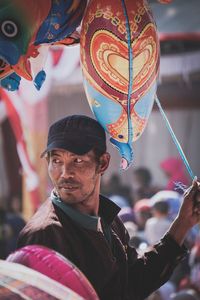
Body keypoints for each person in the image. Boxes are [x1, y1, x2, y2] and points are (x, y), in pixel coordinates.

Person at [17, 115, 200, 300]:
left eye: (77, 160)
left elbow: (135, 283)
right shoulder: (45, 233)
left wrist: (183, 222)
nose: (65, 173)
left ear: (103, 163)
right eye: (56, 161)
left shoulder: (108, 220)